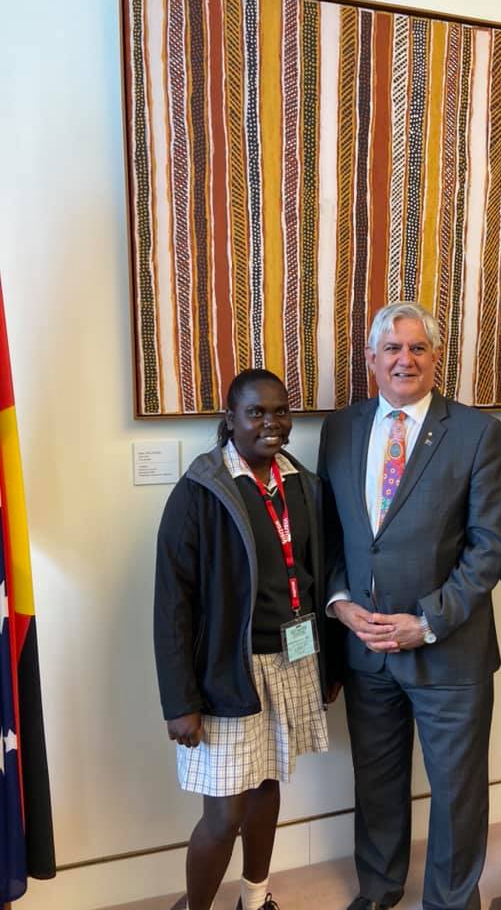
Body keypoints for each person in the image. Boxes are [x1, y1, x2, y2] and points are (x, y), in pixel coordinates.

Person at [318, 301, 501, 910]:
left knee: (457, 792)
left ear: (436, 359)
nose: (405, 359)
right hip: (366, 647)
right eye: (392, 349)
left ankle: (452, 902)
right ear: (370, 360)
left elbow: (490, 548)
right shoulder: (341, 428)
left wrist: (425, 622)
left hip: (447, 651)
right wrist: (340, 603)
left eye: (418, 348)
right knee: (376, 783)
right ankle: (378, 890)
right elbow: (327, 532)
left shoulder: (478, 432)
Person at [154, 369, 340, 910]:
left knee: (267, 786)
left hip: (292, 661)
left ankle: (255, 899)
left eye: (280, 411)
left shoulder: (301, 483)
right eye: (256, 413)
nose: (271, 423)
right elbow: (172, 605)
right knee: (224, 814)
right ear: (230, 418)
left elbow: (314, 577)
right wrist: (179, 701)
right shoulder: (200, 492)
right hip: (225, 673)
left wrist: (329, 668)